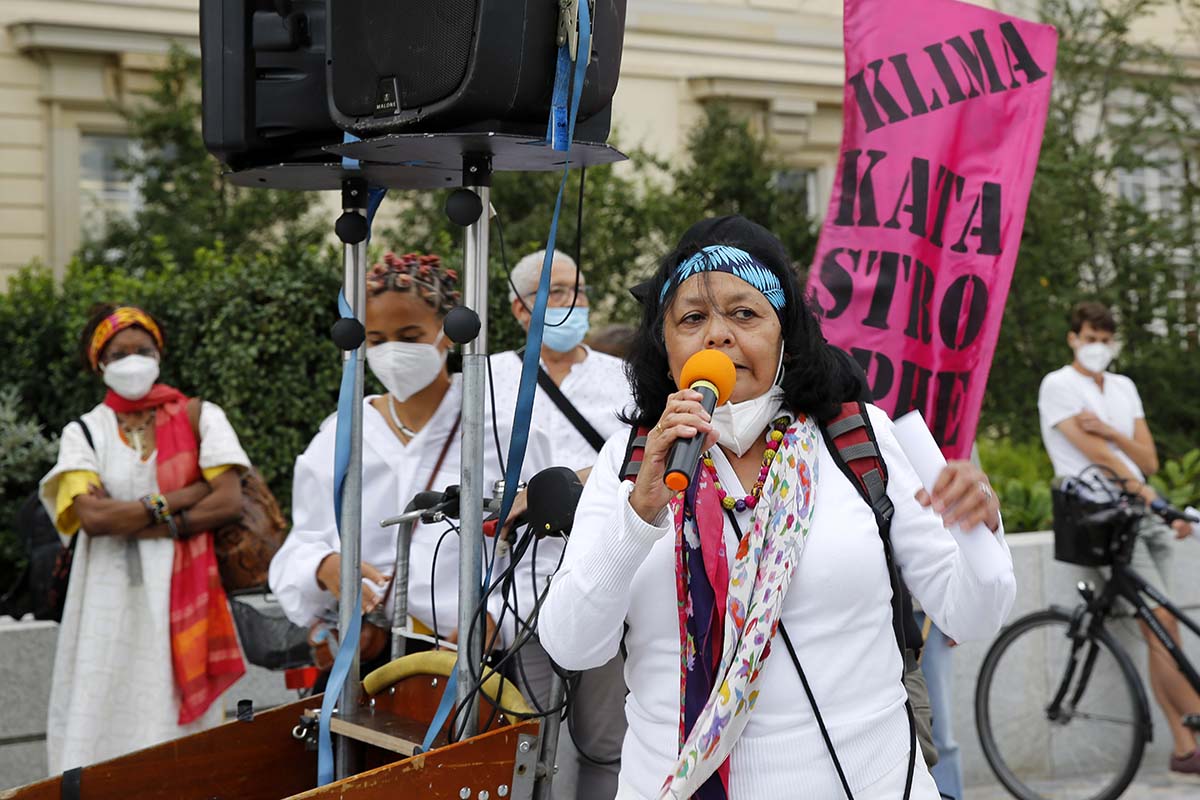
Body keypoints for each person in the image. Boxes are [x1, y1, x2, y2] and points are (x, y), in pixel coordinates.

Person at [539, 218, 1014, 799]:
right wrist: (640, 513)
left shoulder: (860, 440)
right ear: (665, 352)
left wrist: (978, 530)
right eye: (692, 318)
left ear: (785, 336)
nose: (719, 335)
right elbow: (571, 644)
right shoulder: (629, 461)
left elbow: (973, 615)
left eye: (745, 313)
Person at [269, 252, 554, 680]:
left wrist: (496, 618)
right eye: (378, 340)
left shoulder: (502, 428)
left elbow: (548, 551)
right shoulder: (344, 432)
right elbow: (299, 545)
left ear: (450, 333)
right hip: (364, 659)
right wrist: (324, 567)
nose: (392, 352)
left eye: (409, 335)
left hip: (472, 662)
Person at [39, 304, 250, 773]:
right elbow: (92, 518)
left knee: (171, 714)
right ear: (100, 363)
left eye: (143, 350)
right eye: (119, 352)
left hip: (182, 593)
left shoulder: (201, 417)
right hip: (102, 600)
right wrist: (184, 496)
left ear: (160, 355)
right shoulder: (84, 432)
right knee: (95, 706)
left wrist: (145, 516)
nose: (133, 360)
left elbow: (229, 501)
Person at [490, 248, 633, 800]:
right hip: (521, 582)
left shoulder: (622, 377)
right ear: (521, 310)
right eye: (556, 291)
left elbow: (643, 456)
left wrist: (563, 484)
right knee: (535, 735)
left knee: (604, 738)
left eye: (579, 289)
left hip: (604, 573)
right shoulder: (490, 377)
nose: (573, 301)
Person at [1038, 300, 1200, 776]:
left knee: (1163, 626)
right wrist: (1148, 493)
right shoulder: (1058, 385)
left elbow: (1146, 458)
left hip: (1143, 509)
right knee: (1162, 625)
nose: (1099, 348)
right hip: (1106, 516)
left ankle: (1185, 746)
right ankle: (1191, 736)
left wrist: (1110, 430)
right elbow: (1097, 458)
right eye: (1090, 338)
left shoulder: (1124, 387)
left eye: (1106, 341)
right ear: (1073, 337)